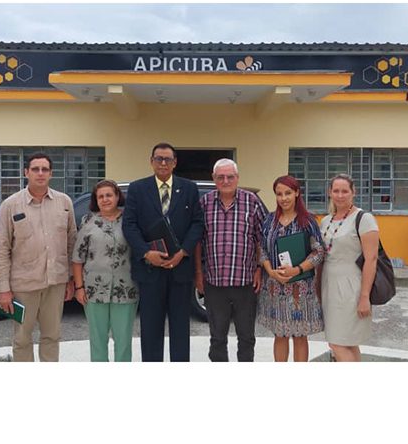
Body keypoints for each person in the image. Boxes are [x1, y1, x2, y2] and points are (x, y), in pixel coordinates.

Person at [122, 142, 204, 362]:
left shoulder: (189, 188)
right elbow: (129, 225)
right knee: (150, 328)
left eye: (168, 159)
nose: (163, 163)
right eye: (159, 158)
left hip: (180, 269)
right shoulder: (137, 189)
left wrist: (183, 252)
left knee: (180, 328)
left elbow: (197, 223)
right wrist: (146, 253)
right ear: (151, 161)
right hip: (150, 270)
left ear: (175, 162)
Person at [0, 152, 77, 362]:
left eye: (45, 169)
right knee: (22, 339)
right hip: (23, 286)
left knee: (52, 336)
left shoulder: (64, 202)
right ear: (26, 172)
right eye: (35, 169)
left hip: (55, 283)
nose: (40, 173)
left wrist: (71, 279)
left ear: (51, 173)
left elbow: (71, 242)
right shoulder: (10, 205)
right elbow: (1, 248)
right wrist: (3, 289)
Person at [194, 159, 268, 362]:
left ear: (237, 178)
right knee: (217, 338)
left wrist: (260, 268)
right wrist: (198, 274)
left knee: (246, 337)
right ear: (213, 179)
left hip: (245, 283)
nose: (225, 180)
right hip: (214, 283)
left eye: (230, 177)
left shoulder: (252, 201)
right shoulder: (204, 203)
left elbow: (263, 237)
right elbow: (197, 241)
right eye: (220, 177)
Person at [257, 175, 324, 362]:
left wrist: (297, 270)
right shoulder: (269, 220)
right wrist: (270, 271)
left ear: (296, 193)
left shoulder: (308, 221)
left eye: (287, 193)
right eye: (279, 194)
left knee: (300, 335)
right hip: (275, 286)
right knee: (280, 334)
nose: (283, 198)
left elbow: (319, 252)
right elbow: (261, 248)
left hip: (300, 288)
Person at [71, 180, 138, 362]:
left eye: (109, 195)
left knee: (123, 342)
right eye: (100, 196)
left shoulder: (130, 220)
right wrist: (79, 288)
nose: (105, 199)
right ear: (95, 200)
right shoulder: (88, 222)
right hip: (94, 290)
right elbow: (77, 258)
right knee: (98, 341)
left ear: (117, 196)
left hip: (126, 290)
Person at [318, 173, 379, 362]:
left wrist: (364, 297)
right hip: (329, 286)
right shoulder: (326, 221)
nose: (340, 195)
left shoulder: (364, 218)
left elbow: (372, 259)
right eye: (336, 190)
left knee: (336, 343)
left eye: (345, 191)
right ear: (330, 193)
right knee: (348, 342)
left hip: (352, 287)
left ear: (353, 192)